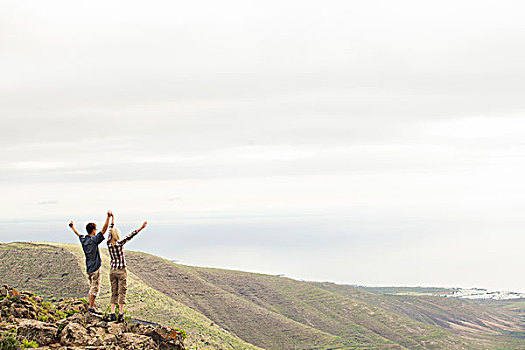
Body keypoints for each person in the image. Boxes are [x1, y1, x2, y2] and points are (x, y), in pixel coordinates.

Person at [69, 211, 112, 315]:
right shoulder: (94, 240)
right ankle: (92, 308)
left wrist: (72, 227)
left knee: (91, 287)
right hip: (95, 268)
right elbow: (104, 230)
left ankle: (92, 306)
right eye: (95, 229)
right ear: (93, 230)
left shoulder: (84, 240)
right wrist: (108, 217)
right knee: (95, 288)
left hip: (88, 268)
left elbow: (78, 234)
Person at [107, 212, 147, 322]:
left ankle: (112, 312)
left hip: (112, 270)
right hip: (121, 271)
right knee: (122, 292)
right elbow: (130, 235)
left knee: (113, 291)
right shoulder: (119, 244)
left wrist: (112, 219)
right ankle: (120, 313)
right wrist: (141, 228)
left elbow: (110, 230)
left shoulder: (108, 244)